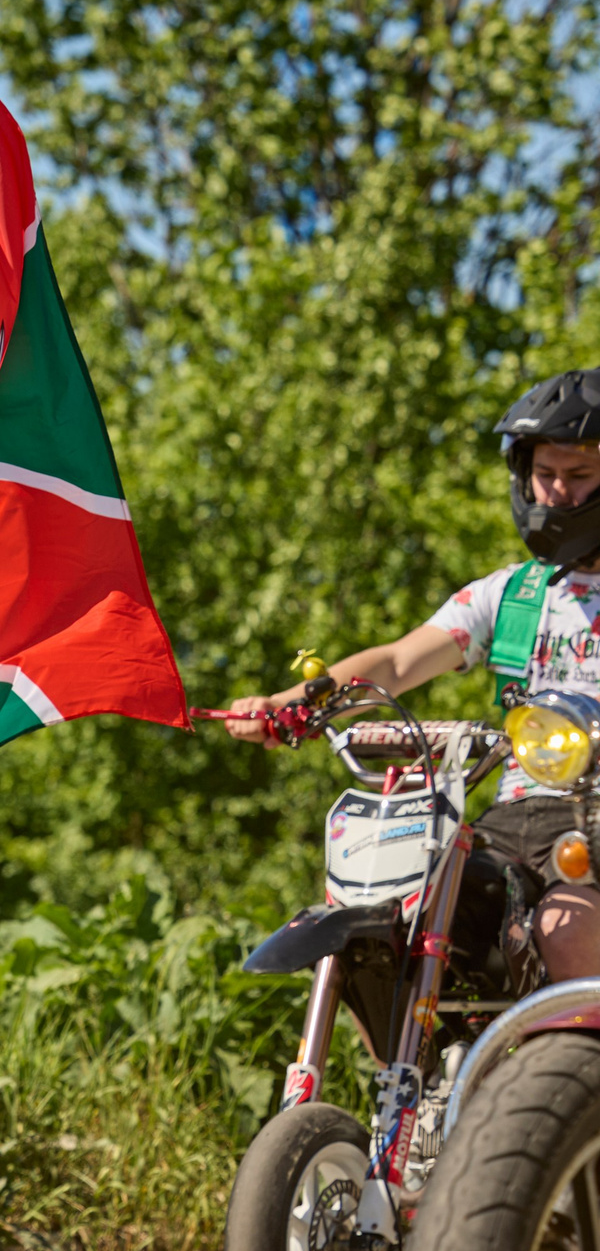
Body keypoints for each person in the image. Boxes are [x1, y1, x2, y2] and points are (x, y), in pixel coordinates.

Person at [225, 368, 600, 976]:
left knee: (567, 928)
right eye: (545, 474)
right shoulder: (511, 594)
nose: (557, 491)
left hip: (593, 823)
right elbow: (397, 662)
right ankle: (413, 1071)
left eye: (578, 475)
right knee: (395, 922)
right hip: (506, 823)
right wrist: (291, 701)